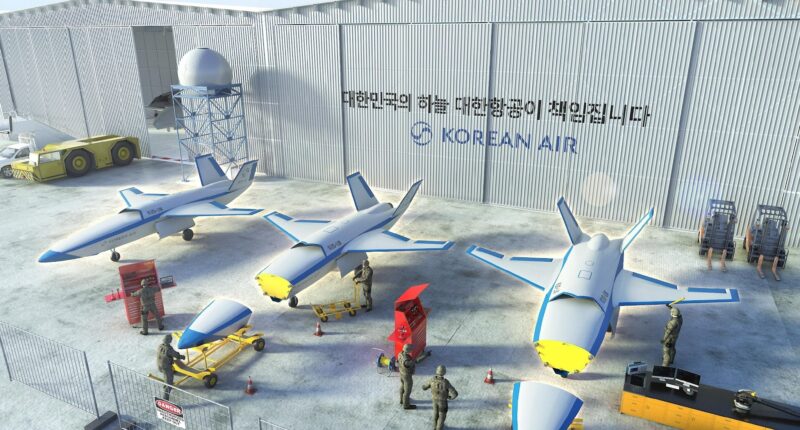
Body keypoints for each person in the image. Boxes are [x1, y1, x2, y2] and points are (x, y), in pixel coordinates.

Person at [422, 365, 458, 430]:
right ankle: (439, 428)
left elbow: (424, 387)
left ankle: (434, 427)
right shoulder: (446, 382)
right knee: (442, 416)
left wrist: (425, 387)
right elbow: (455, 394)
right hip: (443, 402)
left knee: (435, 414)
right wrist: (450, 397)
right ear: (444, 372)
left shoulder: (432, 380)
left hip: (434, 400)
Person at [157, 334, 185, 400]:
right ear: (169, 341)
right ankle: (165, 398)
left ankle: (165, 384)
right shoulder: (169, 349)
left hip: (160, 365)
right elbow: (176, 355)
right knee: (169, 382)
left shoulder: (160, 346)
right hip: (167, 367)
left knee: (165, 376)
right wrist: (182, 357)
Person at [398, 343, 417, 409]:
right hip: (407, 376)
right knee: (407, 391)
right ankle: (406, 405)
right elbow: (414, 362)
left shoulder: (400, 354)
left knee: (402, 386)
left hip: (401, 373)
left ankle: (401, 399)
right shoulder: (407, 361)